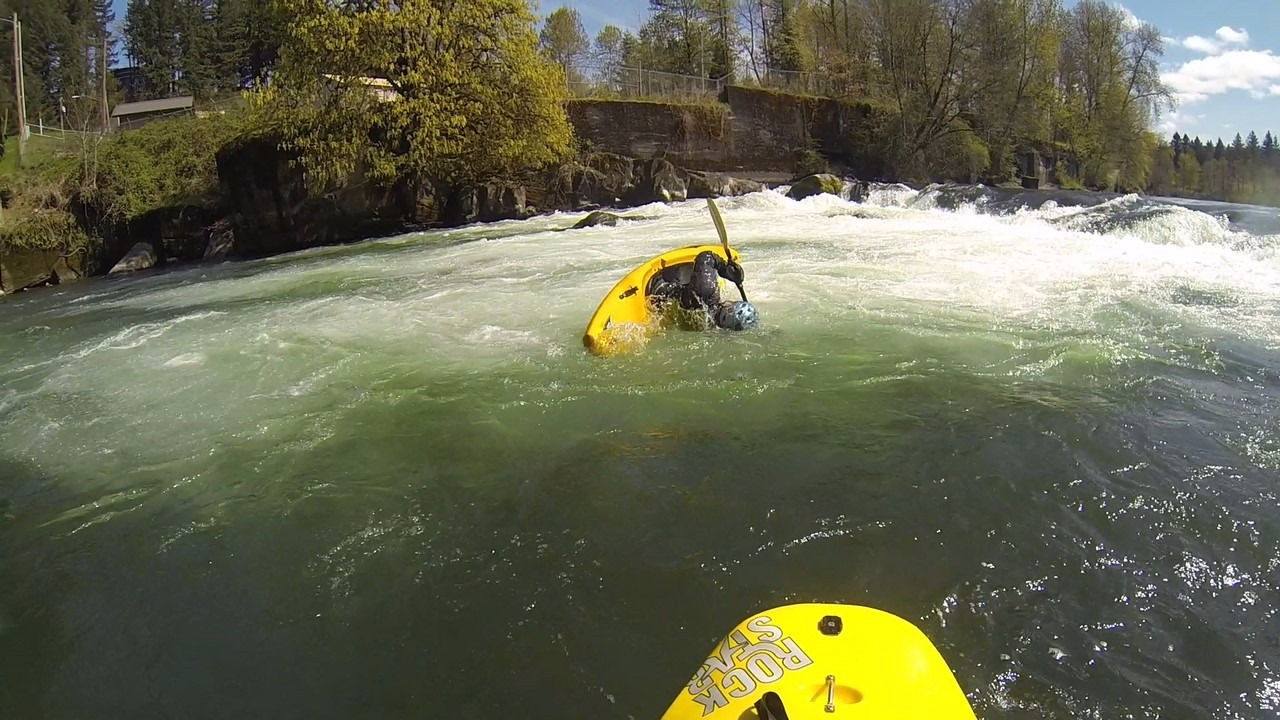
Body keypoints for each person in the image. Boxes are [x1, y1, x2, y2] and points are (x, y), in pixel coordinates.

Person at [647, 250, 759, 331]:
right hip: (668, 307)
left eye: (735, 303)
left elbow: (706, 257)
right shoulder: (710, 327)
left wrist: (724, 269)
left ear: (728, 308)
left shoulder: (708, 292)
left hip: (658, 287)